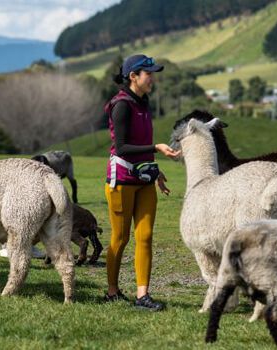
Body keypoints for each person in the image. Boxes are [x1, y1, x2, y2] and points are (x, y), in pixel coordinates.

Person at [102, 54, 179, 311]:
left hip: (144, 179)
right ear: (133, 76)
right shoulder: (121, 104)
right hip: (121, 180)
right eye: (149, 74)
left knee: (145, 236)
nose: (152, 78)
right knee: (120, 238)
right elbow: (122, 148)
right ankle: (112, 292)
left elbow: (140, 145)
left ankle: (142, 295)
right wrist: (156, 148)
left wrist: (155, 172)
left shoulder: (143, 102)